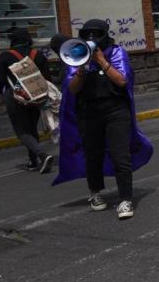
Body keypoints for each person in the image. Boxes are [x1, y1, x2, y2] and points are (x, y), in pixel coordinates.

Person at [57, 20, 153, 220]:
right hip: (89, 113)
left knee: (120, 155)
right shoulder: (77, 54)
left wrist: (101, 61)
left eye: (96, 34)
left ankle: (126, 198)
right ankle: (95, 193)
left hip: (115, 110)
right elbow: (73, 89)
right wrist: (81, 70)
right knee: (93, 155)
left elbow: (122, 80)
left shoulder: (116, 53)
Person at [0, 27, 53, 172]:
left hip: (15, 97)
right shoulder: (38, 55)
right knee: (32, 128)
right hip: (36, 97)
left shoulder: (5, 57)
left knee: (22, 131)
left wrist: (1, 92)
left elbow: (0, 81)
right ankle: (33, 162)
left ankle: (42, 155)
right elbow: (47, 79)